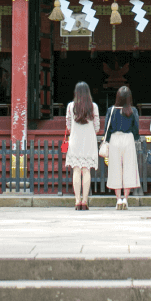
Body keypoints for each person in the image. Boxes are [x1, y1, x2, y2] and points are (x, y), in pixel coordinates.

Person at [103, 85, 141, 209]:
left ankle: (118, 199)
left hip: (115, 139)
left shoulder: (111, 110)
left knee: (115, 169)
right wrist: (135, 137)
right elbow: (136, 129)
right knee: (129, 168)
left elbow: (106, 130)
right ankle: (125, 199)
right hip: (128, 139)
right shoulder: (132, 111)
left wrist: (107, 141)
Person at [65, 81, 100, 210]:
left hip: (75, 140)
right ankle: (85, 201)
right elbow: (97, 126)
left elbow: (68, 124)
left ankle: (77, 200)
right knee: (86, 170)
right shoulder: (93, 106)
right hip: (89, 141)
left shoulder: (70, 106)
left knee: (76, 169)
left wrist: (73, 131)